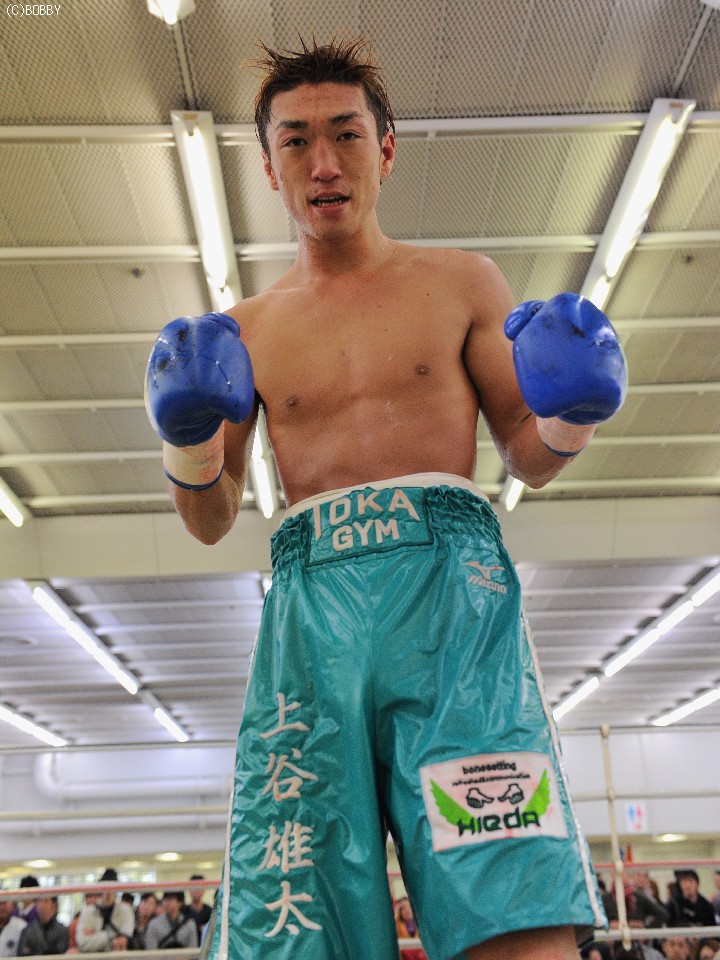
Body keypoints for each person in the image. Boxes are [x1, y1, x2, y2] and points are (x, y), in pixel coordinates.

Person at [145, 36, 626, 960]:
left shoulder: (462, 282)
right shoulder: (242, 330)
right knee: (296, 927)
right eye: (296, 142)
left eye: (347, 134)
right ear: (269, 166)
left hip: (454, 613)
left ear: (387, 148)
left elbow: (527, 455)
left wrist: (571, 414)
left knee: (512, 912)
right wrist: (186, 440)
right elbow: (210, 518)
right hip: (311, 618)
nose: (324, 164)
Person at [75, 869, 134, 953]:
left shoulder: (125, 910)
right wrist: (111, 935)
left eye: (112, 888)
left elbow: (121, 943)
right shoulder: (88, 911)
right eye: (105, 887)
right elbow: (83, 943)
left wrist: (95, 935)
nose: (108, 892)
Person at [183, 876, 212, 940]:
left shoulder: (210, 912)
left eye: (199, 887)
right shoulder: (183, 912)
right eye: (193, 887)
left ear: (204, 890)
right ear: (189, 890)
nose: (196, 891)